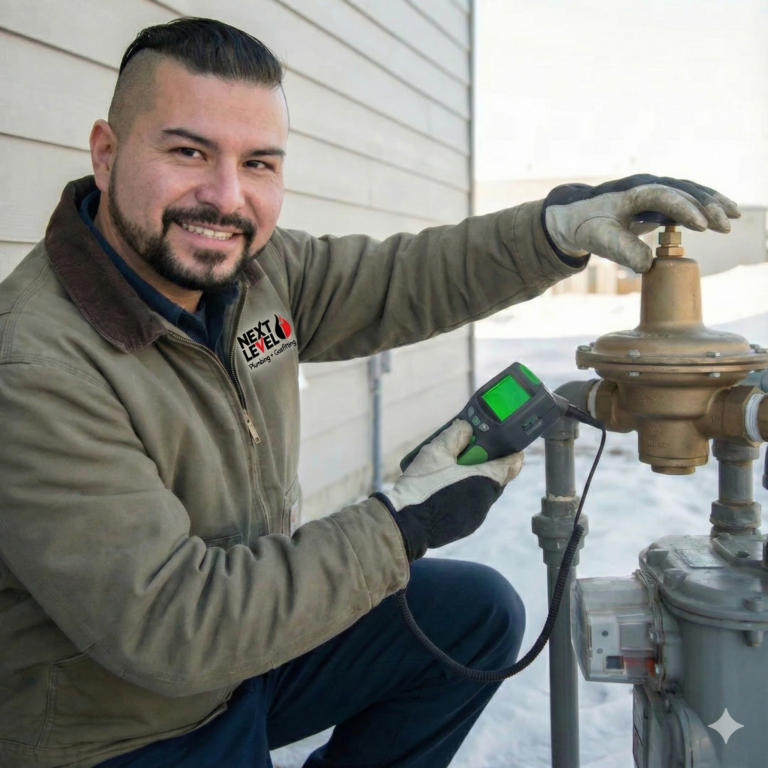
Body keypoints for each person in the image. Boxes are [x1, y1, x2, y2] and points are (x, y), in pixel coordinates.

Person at [0, 17, 739, 768]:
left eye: (259, 163)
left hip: (245, 651)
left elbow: (399, 278)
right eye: (188, 151)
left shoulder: (254, 272)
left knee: (472, 619)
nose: (225, 198)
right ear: (106, 152)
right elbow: (171, 626)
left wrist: (554, 232)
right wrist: (398, 524)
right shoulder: (35, 363)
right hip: (120, 722)